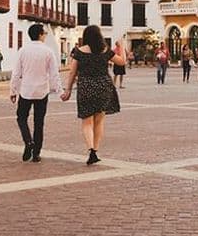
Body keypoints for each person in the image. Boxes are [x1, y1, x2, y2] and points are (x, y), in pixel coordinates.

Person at [60, 25, 124, 165]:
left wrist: (68, 90)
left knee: (87, 121)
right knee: (99, 121)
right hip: (103, 86)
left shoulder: (79, 51)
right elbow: (122, 61)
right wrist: (122, 46)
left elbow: (72, 72)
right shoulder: (105, 51)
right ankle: (96, 149)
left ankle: (91, 150)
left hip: (86, 87)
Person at [10, 24, 61, 163]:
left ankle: (28, 141)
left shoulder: (23, 51)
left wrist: (13, 91)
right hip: (42, 92)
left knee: (21, 118)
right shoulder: (48, 51)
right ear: (39, 34)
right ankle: (36, 153)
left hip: (26, 90)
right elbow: (54, 74)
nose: (45, 35)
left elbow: (16, 73)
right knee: (39, 123)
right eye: (44, 33)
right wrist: (59, 90)